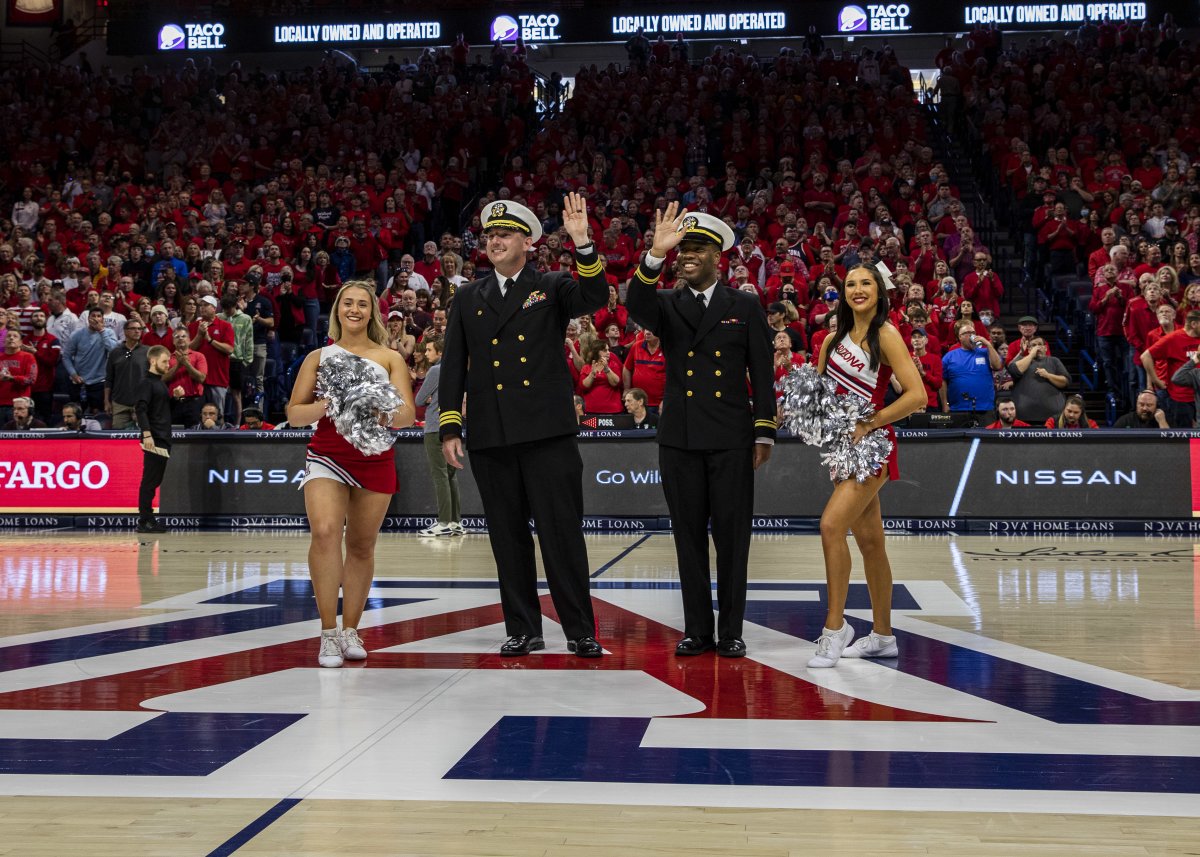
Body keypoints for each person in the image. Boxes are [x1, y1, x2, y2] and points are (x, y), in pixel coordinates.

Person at [439, 195, 608, 659]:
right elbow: (454, 364)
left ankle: (579, 629)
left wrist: (583, 243)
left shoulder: (551, 285)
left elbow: (595, 297)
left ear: (527, 242)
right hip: (493, 435)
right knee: (507, 537)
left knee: (561, 535)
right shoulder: (469, 295)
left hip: (548, 433)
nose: (494, 240)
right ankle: (522, 627)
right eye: (490, 234)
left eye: (505, 233)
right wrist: (450, 425)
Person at [625, 205, 777, 659]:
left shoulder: (745, 305)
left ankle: (730, 629)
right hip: (680, 438)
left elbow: (762, 372)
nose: (686, 256)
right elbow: (635, 304)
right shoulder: (667, 302)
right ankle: (697, 629)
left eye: (696, 249)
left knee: (732, 538)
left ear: (718, 257)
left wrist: (764, 431)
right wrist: (654, 253)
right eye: (682, 250)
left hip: (732, 437)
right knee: (687, 537)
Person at [287, 281, 416, 669]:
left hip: (375, 456)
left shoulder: (390, 357)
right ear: (338, 310)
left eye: (362, 304)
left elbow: (407, 415)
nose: (355, 309)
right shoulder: (318, 357)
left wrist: (372, 407)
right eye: (348, 303)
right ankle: (327, 633)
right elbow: (295, 414)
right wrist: (330, 403)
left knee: (361, 546)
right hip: (327, 454)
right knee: (325, 532)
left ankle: (350, 630)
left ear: (372, 311)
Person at [808, 264, 926, 667]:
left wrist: (869, 422)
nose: (858, 290)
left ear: (879, 291)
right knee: (871, 542)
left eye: (866, 283)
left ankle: (834, 628)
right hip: (843, 448)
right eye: (851, 284)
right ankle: (883, 635)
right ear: (842, 293)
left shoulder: (886, 335)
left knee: (830, 526)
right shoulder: (830, 341)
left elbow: (918, 396)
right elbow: (822, 397)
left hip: (872, 445)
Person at [416, 337, 461, 537]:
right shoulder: (456, 369)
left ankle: (443, 522)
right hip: (452, 427)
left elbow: (418, 399)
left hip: (434, 427)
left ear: (440, 352)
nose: (426, 354)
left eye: (429, 350)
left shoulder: (435, 371)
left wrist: (429, 399)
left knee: (440, 475)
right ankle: (455, 522)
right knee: (451, 475)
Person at [134, 345, 174, 534]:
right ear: (153, 361)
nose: (168, 365)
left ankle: (149, 519)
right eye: (165, 361)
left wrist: (177, 399)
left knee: (155, 480)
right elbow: (140, 409)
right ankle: (145, 520)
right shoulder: (146, 383)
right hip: (154, 438)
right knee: (149, 481)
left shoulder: (160, 383)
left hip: (163, 437)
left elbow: (160, 410)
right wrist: (147, 434)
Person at [1142, 310, 1200, 427]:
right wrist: (1155, 380)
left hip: (1198, 394)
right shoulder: (1173, 338)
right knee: (1185, 437)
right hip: (1181, 398)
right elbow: (1146, 356)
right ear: (1194, 324)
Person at [941, 319, 1002, 417]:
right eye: (967, 333)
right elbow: (942, 381)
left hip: (985, 408)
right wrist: (945, 404)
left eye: (973, 332)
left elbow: (997, 366)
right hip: (958, 408)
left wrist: (988, 344)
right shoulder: (949, 356)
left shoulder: (985, 352)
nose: (971, 335)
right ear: (960, 337)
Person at [188, 295, 235, 419]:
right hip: (197, 380)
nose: (202, 308)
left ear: (214, 308)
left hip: (217, 379)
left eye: (206, 305)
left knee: (218, 416)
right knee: (197, 416)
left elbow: (229, 349)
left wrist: (209, 340)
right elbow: (189, 350)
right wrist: (199, 335)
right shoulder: (193, 326)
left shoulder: (225, 326)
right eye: (201, 305)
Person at [1007, 336, 1072, 424]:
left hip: (1053, 418)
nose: (1037, 347)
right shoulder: (1021, 360)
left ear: (1045, 348)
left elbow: (1065, 382)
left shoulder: (1054, 361)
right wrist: (1031, 355)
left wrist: (1048, 375)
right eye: (1034, 345)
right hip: (1023, 417)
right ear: (1029, 349)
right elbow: (1014, 371)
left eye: (1040, 344)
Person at [104, 317, 147, 429]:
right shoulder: (115, 353)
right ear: (125, 331)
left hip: (142, 404)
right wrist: (106, 401)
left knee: (145, 438)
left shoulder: (147, 352)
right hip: (119, 403)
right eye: (133, 328)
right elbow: (109, 379)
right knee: (118, 440)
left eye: (139, 328)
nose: (137, 331)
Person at [164, 328, 207, 427]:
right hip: (174, 402)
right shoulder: (168, 357)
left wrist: (186, 364)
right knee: (175, 432)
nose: (180, 338)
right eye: (177, 336)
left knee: (194, 432)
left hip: (194, 402)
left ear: (189, 339)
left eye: (183, 336)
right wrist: (178, 365)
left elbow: (201, 378)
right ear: (173, 341)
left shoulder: (199, 356)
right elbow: (162, 379)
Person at [0, 328, 38, 425]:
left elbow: (31, 379)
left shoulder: (28, 357)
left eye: (15, 336)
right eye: (8, 336)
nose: (11, 338)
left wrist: (12, 378)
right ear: (4, 341)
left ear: (21, 342)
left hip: (20, 406)